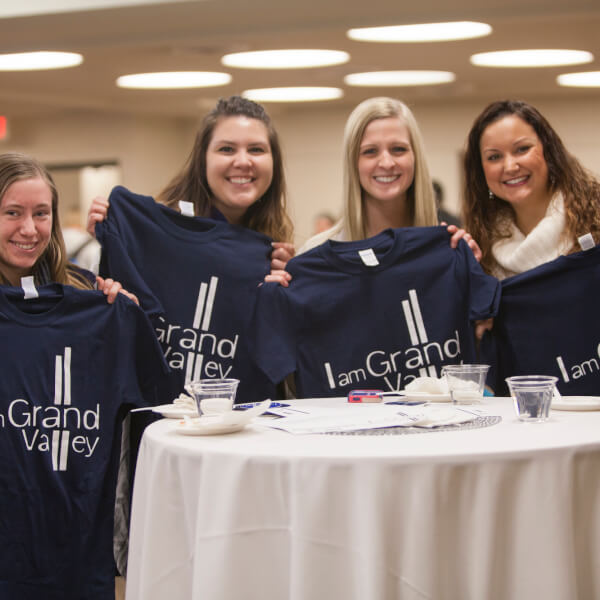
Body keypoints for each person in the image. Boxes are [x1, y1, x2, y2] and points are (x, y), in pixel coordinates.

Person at [88, 95, 295, 273]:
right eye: (226, 149)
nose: (242, 161)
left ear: (274, 161)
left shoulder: (273, 246)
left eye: (256, 149)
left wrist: (283, 289)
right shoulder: (160, 232)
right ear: (202, 159)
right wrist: (116, 241)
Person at [293, 97, 480, 261]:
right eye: (370, 151)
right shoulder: (315, 254)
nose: (387, 162)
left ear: (415, 158)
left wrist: (471, 268)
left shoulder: (448, 249)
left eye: (398, 149)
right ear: (353, 164)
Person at [463, 99, 600, 279]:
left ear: (548, 151)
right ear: (481, 170)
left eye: (522, 149)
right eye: (494, 157)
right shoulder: (479, 251)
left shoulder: (594, 221)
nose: (510, 166)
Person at [0, 152, 136, 303]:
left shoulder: (83, 288)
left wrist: (123, 315)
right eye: (12, 213)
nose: (30, 230)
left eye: (40, 213)